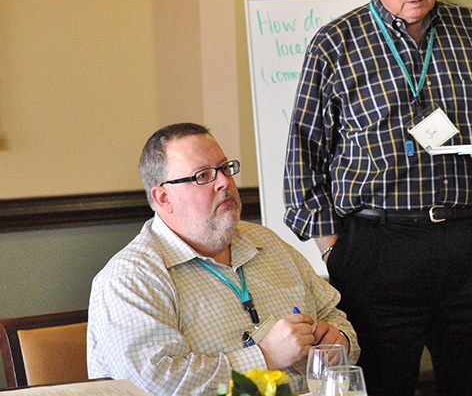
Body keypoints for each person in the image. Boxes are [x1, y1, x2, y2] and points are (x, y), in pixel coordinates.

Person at [283, 0, 472, 396]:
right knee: (379, 387)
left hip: (469, 241)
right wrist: (334, 248)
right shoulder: (335, 45)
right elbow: (303, 156)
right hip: (376, 247)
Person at [87, 123, 359, 396]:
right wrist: (264, 357)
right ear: (164, 197)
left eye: (225, 168)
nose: (224, 182)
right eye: (203, 176)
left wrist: (338, 341)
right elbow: (151, 386)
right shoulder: (130, 278)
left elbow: (333, 314)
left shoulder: (267, 243)